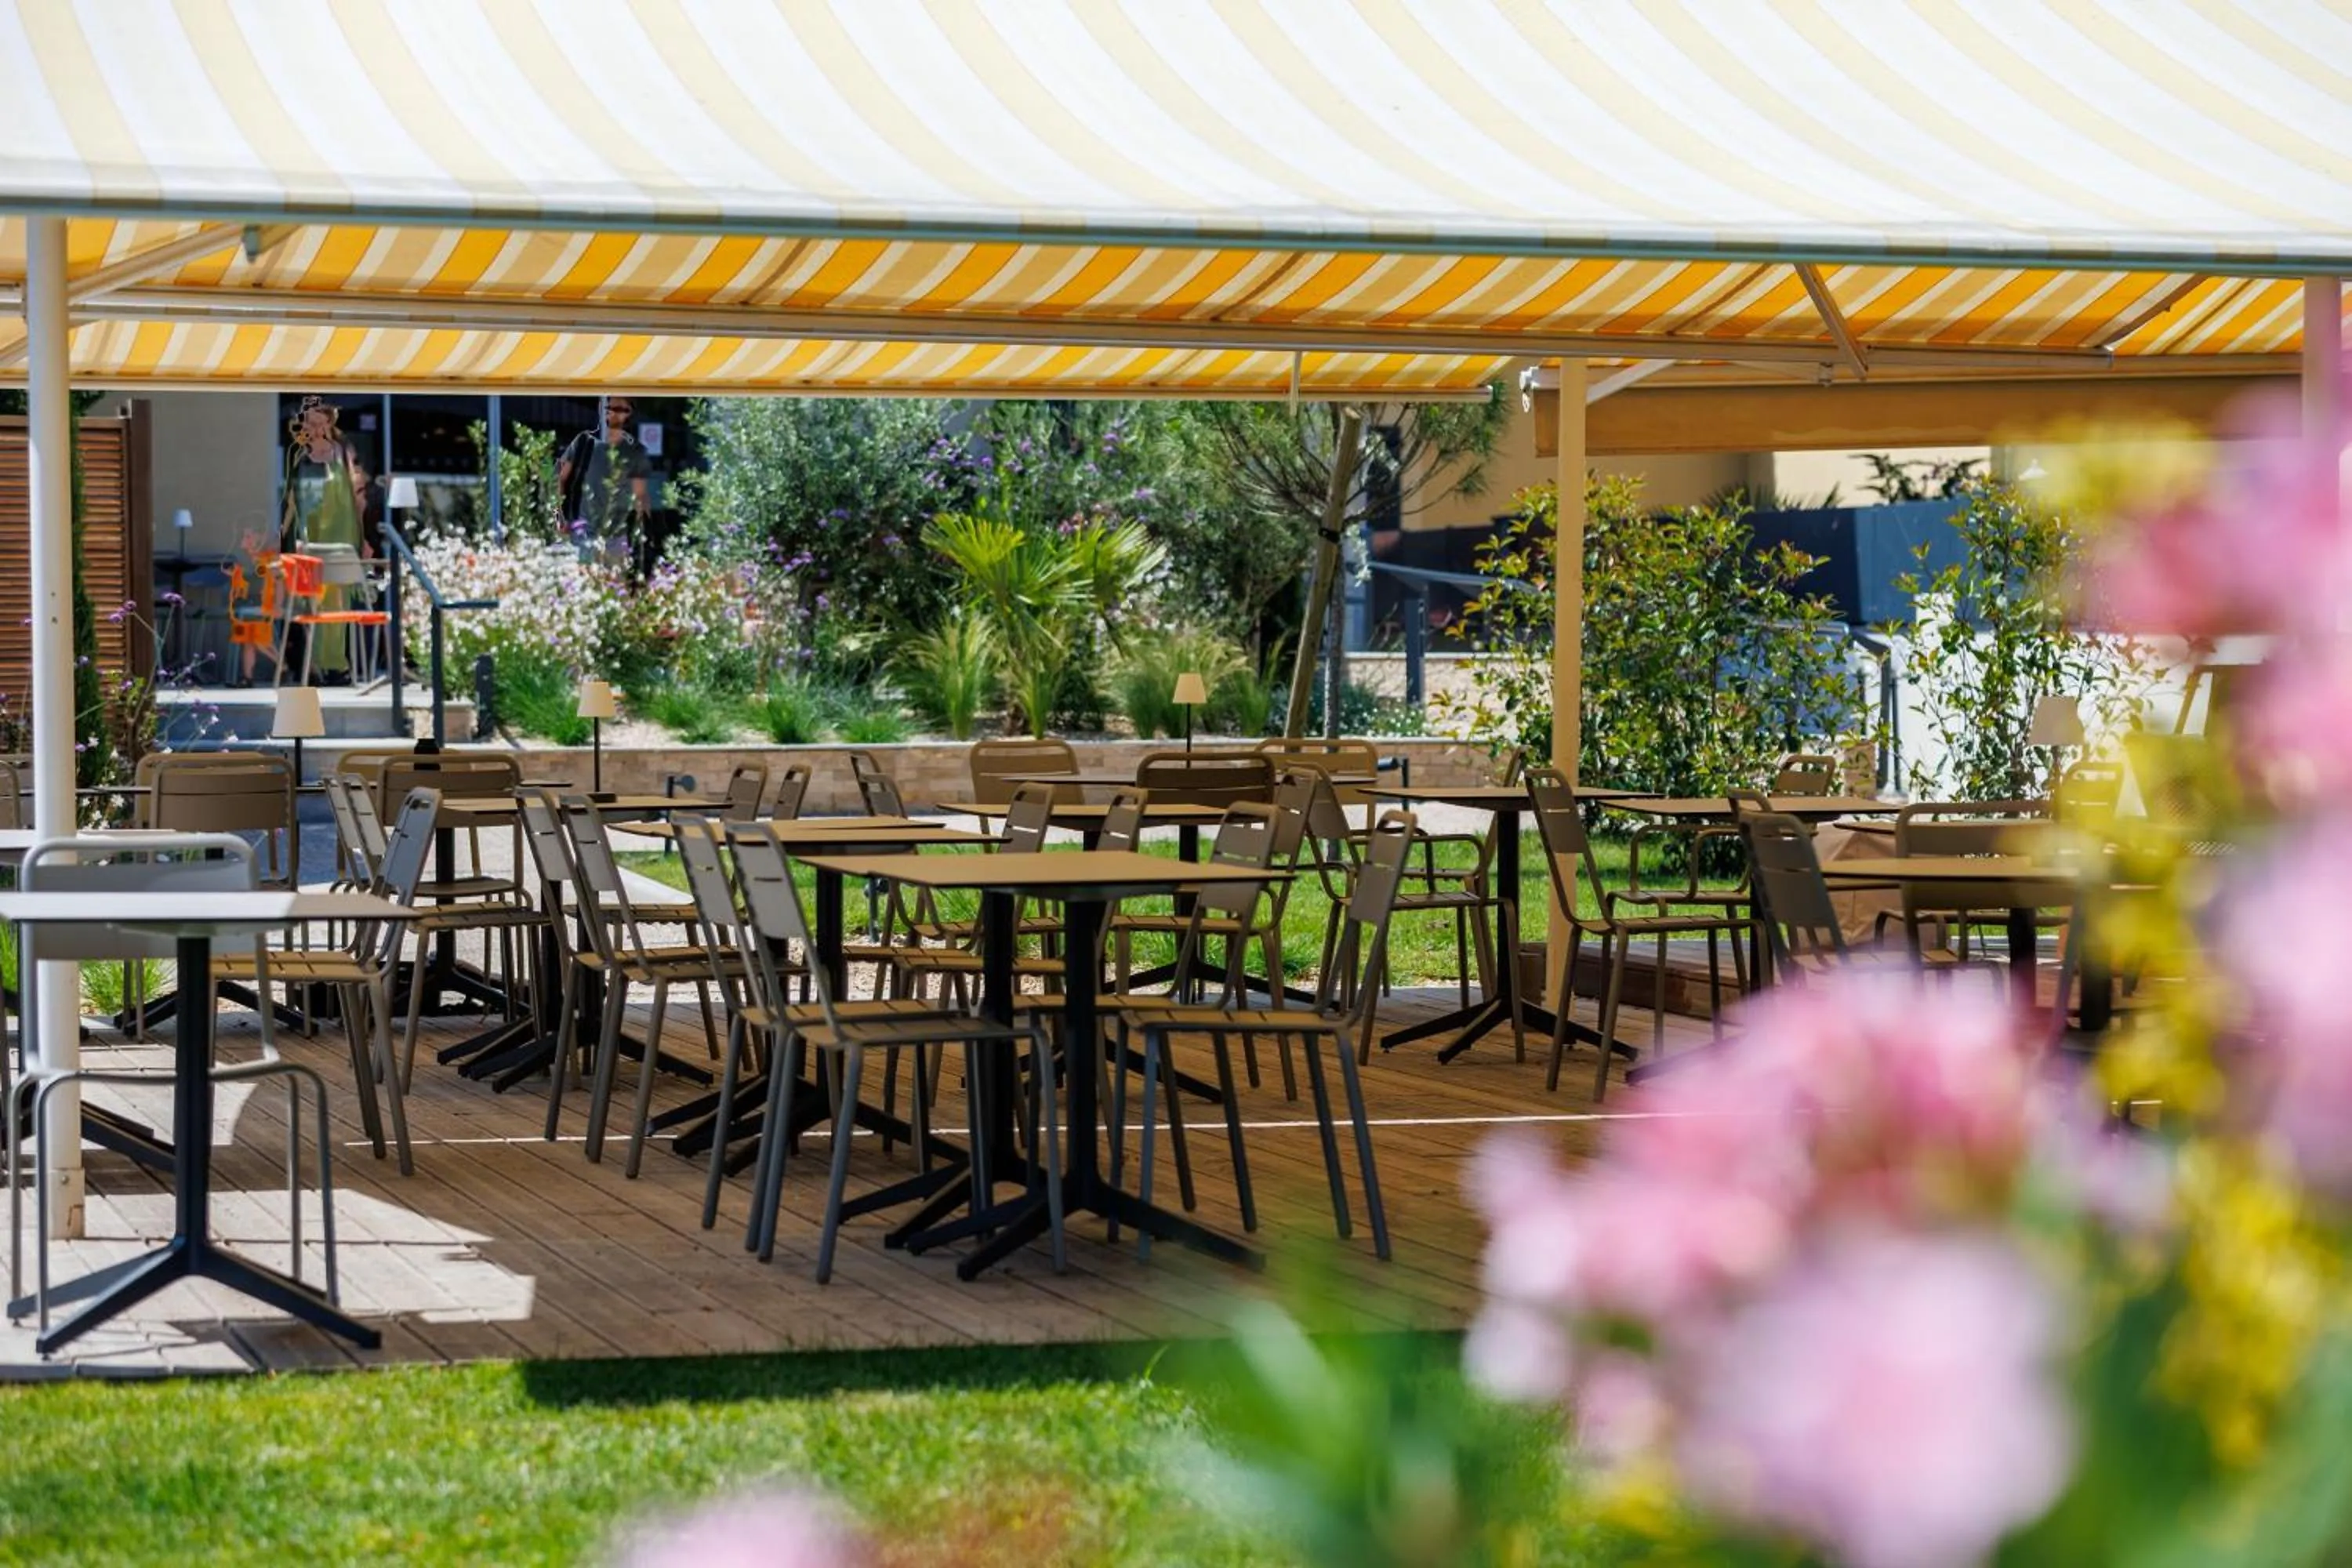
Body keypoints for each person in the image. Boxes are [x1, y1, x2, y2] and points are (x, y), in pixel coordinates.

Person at [257, 395, 367, 684]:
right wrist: (282, 535)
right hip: (310, 533)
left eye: (320, 422)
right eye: (310, 422)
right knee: (309, 600)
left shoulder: (343, 452)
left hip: (341, 532)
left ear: (330, 422)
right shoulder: (299, 454)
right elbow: (291, 500)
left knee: (338, 600)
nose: (315, 428)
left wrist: (364, 537)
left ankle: (337, 664)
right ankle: (313, 665)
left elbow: (358, 498)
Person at [557, 397, 652, 574]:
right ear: (602, 408)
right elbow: (561, 480)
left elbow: (640, 496)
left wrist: (642, 532)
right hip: (584, 531)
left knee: (615, 585)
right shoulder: (584, 443)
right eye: (611, 408)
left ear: (629, 414)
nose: (615, 414)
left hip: (617, 533)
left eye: (622, 410)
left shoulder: (634, 451)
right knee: (583, 581)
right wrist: (559, 517)